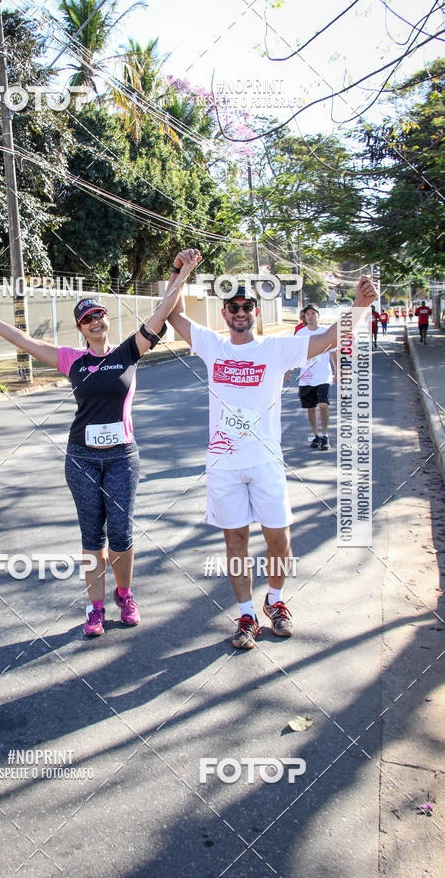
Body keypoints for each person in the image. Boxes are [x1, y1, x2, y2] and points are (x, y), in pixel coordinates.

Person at [0, 249, 201, 637]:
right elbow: (25, 341)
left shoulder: (129, 351)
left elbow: (163, 311)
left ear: (107, 319)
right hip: (82, 459)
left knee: (121, 534)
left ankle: (124, 594)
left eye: (99, 315)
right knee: (92, 536)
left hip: (122, 457)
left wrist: (182, 272)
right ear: (81, 328)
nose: (95, 322)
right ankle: (95, 607)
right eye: (87, 319)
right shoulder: (71, 360)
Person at [168, 269, 376, 650]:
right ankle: (246, 614)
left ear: (257, 312)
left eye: (247, 307)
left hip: (266, 462)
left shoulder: (276, 349)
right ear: (224, 312)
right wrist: (178, 274)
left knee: (279, 538)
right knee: (236, 542)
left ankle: (275, 601)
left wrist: (361, 304)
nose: (240, 313)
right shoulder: (212, 345)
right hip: (224, 465)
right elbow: (174, 314)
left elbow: (330, 336)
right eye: (234, 307)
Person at [285, 304, 337, 451]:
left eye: (313, 313)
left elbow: (333, 352)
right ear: (305, 316)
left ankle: (325, 435)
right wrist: (288, 371)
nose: (310, 316)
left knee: (323, 405)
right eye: (308, 314)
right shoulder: (300, 333)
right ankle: (316, 436)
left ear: (318, 316)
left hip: (323, 376)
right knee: (311, 408)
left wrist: (337, 372)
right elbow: (293, 353)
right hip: (306, 377)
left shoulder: (326, 332)